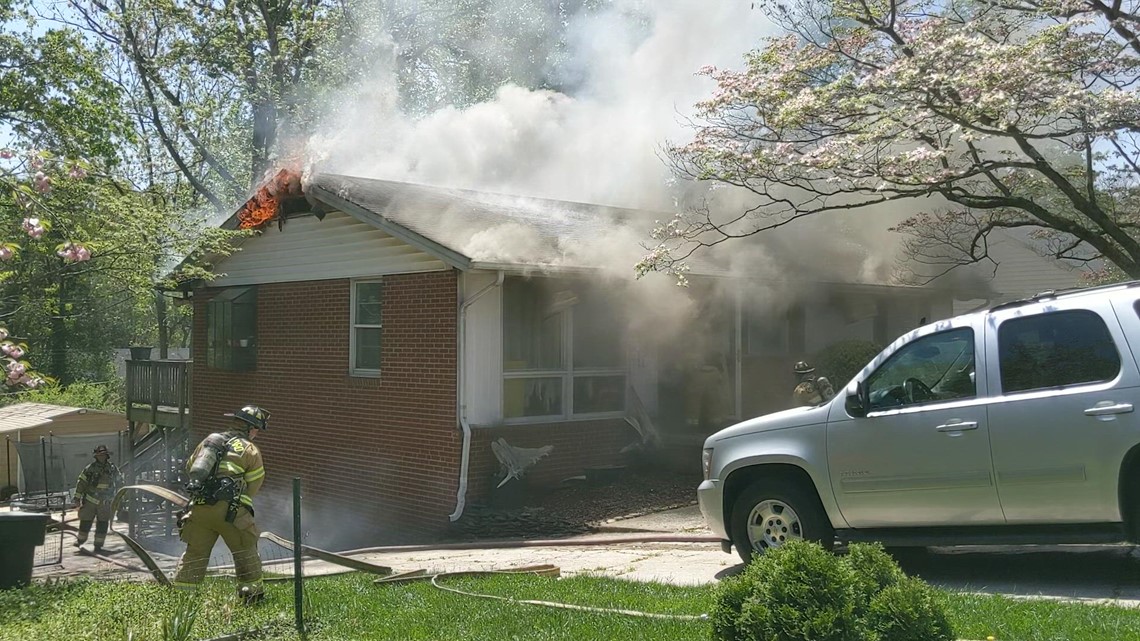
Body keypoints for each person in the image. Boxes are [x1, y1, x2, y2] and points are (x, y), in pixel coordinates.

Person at [172, 405, 269, 604]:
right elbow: (254, 484)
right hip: (231, 512)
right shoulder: (250, 449)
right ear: (251, 428)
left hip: (199, 508)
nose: (257, 433)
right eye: (257, 429)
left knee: (195, 555)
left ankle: (183, 601)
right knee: (245, 552)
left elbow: (191, 468)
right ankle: (251, 599)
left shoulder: (209, 442)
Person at [73, 445, 122, 552]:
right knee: (85, 521)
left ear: (107, 456)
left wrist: (121, 497)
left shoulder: (112, 469)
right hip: (90, 500)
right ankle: (80, 540)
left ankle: (98, 545)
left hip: (105, 502)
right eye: (99, 455)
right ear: (96, 456)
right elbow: (81, 483)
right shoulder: (90, 469)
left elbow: (120, 482)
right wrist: (77, 498)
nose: (101, 457)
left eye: (103, 455)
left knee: (103, 523)